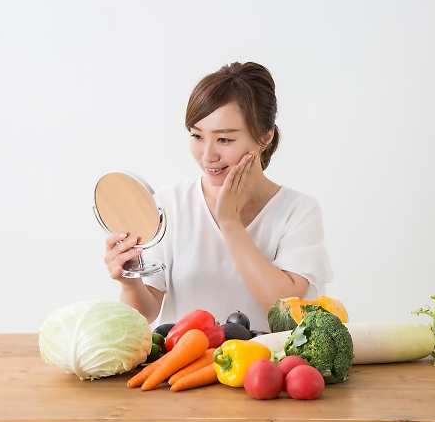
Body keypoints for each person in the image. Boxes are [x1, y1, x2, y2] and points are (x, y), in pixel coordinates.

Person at [104, 62, 333, 332]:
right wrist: (130, 282)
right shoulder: (170, 203)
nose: (207, 155)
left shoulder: (299, 211)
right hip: (184, 368)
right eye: (197, 136)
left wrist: (230, 223)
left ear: (265, 136)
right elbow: (145, 312)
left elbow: (285, 309)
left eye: (224, 139)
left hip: (265, 370)